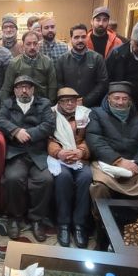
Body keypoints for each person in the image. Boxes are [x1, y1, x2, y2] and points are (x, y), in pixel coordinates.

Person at [0, 75, 56, 242]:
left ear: (33, 89)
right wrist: (15, 131)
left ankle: (37, 219)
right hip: (17, 152)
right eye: (20, 87)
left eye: (27, 87)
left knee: (46, 180)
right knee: (13, 178)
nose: (24, 90)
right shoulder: (8, 103)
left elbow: (49, 125)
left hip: (38, 153)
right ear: (15, 90)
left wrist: (29, 134)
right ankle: (14, 217)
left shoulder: (44, 104)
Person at [86, 82, 138, 206]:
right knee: (100, 186)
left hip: (134, 165)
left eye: (124, 98)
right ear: (109, 98)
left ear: (129, 100)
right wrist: (118, 160)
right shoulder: (96, 114)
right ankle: (102, 217)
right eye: (116, 98)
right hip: (106, 163)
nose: (120, 102)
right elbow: (95, 140)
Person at [48, 88, 92, 248]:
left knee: (86, 177)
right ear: (59, 103)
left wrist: (81, 151)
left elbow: (91, 137)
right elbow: (48, 138)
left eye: (72, 100)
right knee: (63, 177)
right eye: (65, 101)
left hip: (80, 157)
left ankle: (79, 224)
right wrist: (58, 152)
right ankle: (63, 224)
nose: (69, 104)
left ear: (77, 101)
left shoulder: (86, 115)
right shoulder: (51, 114)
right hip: (59, 157)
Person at [55, 23, 108, 108]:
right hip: (68, 105)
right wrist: (69, 100)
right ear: (71, 39)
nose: (80, 40)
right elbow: (59, 83)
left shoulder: (97, 58)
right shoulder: (62, 60)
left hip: (92, 105)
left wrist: (86, 101)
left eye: (83, 37)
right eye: (76, 37)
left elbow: (102, 83)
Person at [0, 31, 57, 102]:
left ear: (39, 45)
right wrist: (5, 105)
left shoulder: (47, 61)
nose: (32, 47)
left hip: (42, 102)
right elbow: (7, 88)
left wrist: (50, 104)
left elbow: (52, 86)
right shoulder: (14, 63)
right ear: (23, 45)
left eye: (35, 43)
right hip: (21, 102)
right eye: (28, 44)